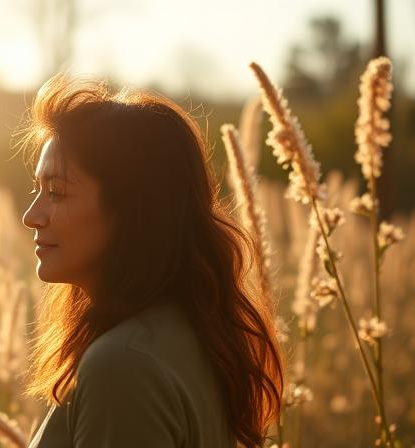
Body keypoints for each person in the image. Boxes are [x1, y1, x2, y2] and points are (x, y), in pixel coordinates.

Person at [16, 74, 284, 448]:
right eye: (37, 189)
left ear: (131, 211)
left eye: (56, 192)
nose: (32, 215)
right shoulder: (190, 335)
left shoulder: (123, 365)